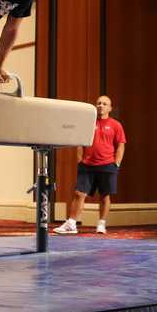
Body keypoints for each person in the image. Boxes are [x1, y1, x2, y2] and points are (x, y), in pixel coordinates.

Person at [53, 95, 125, 235]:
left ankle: (101, 224)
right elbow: (80, 142)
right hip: (87, 165)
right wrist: (80, 159)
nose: (101, 106)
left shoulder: (116, 125)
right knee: (79, 193)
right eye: (98, 103)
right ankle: (72, 224)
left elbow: (121, 145)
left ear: (110, 108)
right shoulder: (88, 123)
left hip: (107, 165)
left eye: (104, 104)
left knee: (105, 195)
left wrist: (116, 163)